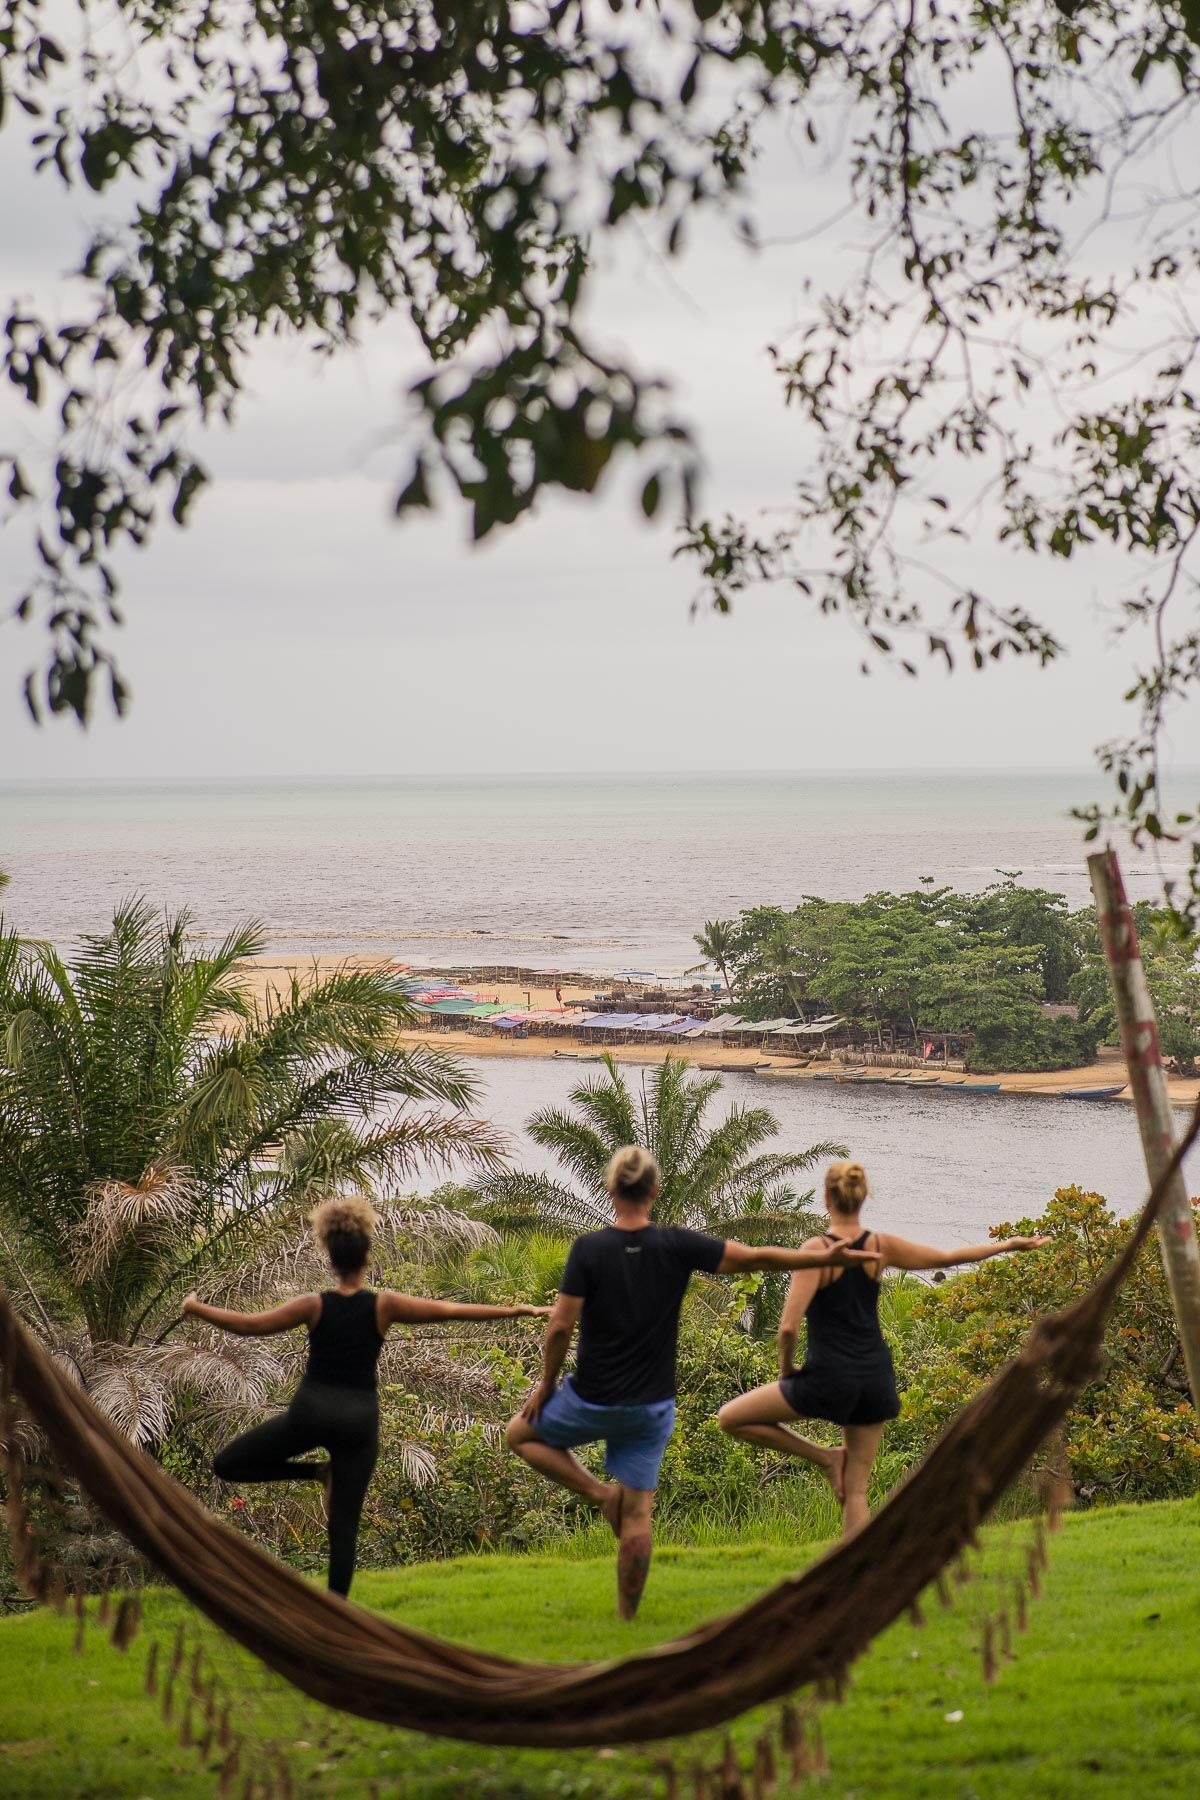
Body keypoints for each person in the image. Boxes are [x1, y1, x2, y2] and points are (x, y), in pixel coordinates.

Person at [505, 1146, 874, 1619]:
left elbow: (559, 1327)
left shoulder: (589, 1250)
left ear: (612, 1189)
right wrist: (821, 1258)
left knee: (520, 1433)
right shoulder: (677, 1244)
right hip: (651, 1406)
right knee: (639, 1515)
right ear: (654, 1191)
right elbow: (756, 1259)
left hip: (590, 1397)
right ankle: (626, 1617)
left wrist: (546, 1385)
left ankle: (600, 1495)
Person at [184, 1195, 550, 1599]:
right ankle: (336, 1616)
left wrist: (197, 1308)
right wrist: (516, 1310)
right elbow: (450, 1309)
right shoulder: (384, 1305)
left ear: (330, 1256)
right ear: (366, 1256)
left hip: (312, 1412)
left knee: (229, 1464)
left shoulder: (314, 1305)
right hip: (359, 1421)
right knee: (343, 1529)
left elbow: (250, 1326)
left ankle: (316, 1473)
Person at [717, 1158, 1050, 1538]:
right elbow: (947, 1258)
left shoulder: (816, 1250)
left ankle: (825, 1458)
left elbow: (789, 1327)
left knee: (732, 1418)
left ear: (826, 1198)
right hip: (874, 1377)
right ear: (863, 1199)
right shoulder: (879, 1246)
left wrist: (786, 1371)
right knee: (856, 1491)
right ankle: (857, 1576)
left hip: (827, 1378)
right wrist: (1009, 1244)